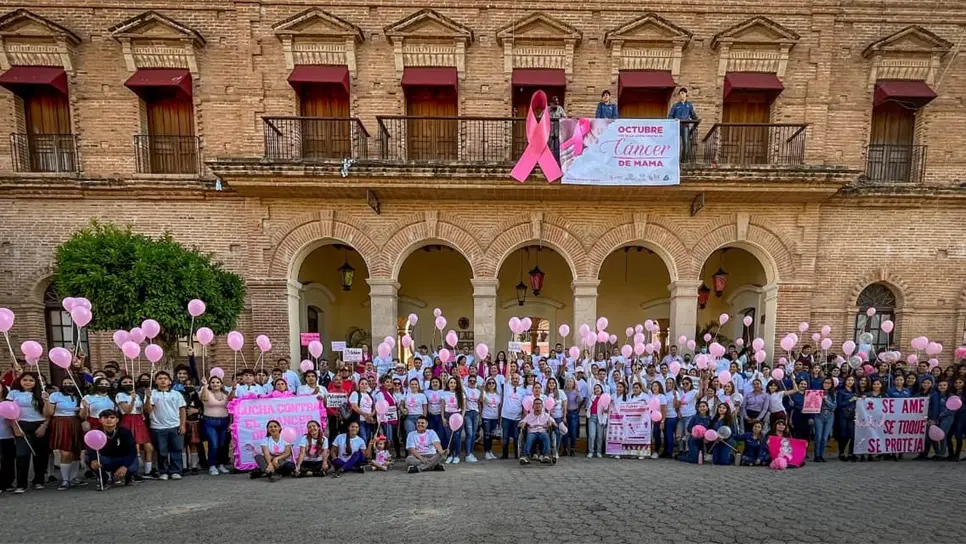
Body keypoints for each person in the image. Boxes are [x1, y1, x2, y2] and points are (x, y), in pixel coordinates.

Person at [7, 372, 48, 493]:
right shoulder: (13, 393)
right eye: (25, 380)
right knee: (22, 454)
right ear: (20, 381)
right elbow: (8, 411)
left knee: (40, 454)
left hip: (39, 424)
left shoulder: (42, 393)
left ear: (36, 382)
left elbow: (48, 413)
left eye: (31, 380)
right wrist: (15, 427)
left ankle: (39, 480)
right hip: (22, 424)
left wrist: (46, 401)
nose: (28, 382)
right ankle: (21, 484)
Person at [144, 371, 186, 481]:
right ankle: (163, 471)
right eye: (160, 378)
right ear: (155, 381)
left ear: (170, 381)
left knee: (176, 449)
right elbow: (148, 410)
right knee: (161, 451)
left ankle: (176, 471)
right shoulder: (152, 394)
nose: (163, 380)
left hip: (174, 425)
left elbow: (182, 410)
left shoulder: (177, 394)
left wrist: (182, 425)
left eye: (165, 378)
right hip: (158, 427)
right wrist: (148, 398)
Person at [46, 376, 85, 490]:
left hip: (76, 422)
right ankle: (65, 479)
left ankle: (73, 477)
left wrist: (84, 407)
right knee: (65, 452)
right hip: (61, 423)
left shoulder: (80, 396)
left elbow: (83, 413)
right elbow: (50, 412)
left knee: (76, 451)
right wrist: (46, 401)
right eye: (65, 383)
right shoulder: (55, 395)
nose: (68, 385)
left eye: (70, 383)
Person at [86, 409, 138, 490]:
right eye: (105, 417)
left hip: (123, 458)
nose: (109, 420)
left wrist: (124, 466)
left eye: (112, 417)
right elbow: (91, 449)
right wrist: (93, 459)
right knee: (88, 458)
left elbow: (132, 452)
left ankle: (128, 477)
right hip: (108, 459)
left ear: (117, 420)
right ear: (100, 420)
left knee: (132, 466)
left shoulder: (125, 432)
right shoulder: (96, 433)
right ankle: (105, 479)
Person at [115, 375, 152, 479]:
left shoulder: (138, 394)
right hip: (128, 419)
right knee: (133, 447)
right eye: (125, 382)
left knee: (148, 447)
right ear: (121, 384)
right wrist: (132, 400)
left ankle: (148, 471)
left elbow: (146, 410)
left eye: (130, 382)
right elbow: (127, 411)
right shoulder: (120, 395)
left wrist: (148, 398)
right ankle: (133, 472)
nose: (128, 384)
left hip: (139, 420)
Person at [199, 375, 231, 475]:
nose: (215, 384)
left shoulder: (226, 394)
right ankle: (212, 465)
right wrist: (205, 386)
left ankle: (221, 464)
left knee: (222, 444)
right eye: (212, 382)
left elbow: (232, 404)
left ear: (221, 384)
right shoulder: (205, 391)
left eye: (217, 382)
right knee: (214, 444)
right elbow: (203, 398)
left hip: (224, 421)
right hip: (210, 421)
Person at [518, 397, 557, 465]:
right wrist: (523, 424)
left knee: (546, 436)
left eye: (539, 404)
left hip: (542, 431)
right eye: (536, 404)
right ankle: (525, 456)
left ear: (542, 406)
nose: (538, 405)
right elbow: (520, 424)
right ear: (533, 406)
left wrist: (551, 422)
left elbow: (555, 424)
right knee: (529, 438)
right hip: (532, 432)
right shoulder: (529, 416)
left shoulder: (546, 415)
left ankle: (546, 456)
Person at [668, 87, 698, 160]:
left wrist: (696, 121)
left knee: (686, 143)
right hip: (676, 127)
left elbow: (693, 115)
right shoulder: (675, 106)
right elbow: (670, 116)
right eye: (680, 94)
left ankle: (684, 159)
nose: (681, 95)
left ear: (685, 94)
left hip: (685, 126)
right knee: (675, 143)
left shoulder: (689, 105)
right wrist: (674, 119)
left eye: (683, 93)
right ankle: (674, 159)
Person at [441, 377, 466, 464]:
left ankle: (457, 456)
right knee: (449, 437)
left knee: (457, 437)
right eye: (451, 382)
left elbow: (464, 408)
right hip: (448, 415)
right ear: (448, 384)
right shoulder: (444, 394)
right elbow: (442, 407)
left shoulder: (461, 394)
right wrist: (443, 418)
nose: (452, 384)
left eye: (454, 383)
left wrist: (461, 417)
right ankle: (450, 455)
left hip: (457, 416)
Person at [501, 373, 526, 459]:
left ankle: (517, 455)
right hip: (506, 416)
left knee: (516, 437)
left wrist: (523, 416)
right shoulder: (507, 387)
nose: (515, 380)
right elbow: (507, 375)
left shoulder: (523, 391)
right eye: (513, 378)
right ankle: (504, 455)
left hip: (517, 418)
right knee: (505, 437)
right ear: (511, 380)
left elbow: (524, 404)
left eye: (517, 378)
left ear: (519, 380)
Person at [480, 376, 502, 460]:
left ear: (495, 385)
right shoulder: (485, 393)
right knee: (487, 435)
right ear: (487, 385)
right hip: (486, 416)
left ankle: (490, 451)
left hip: (495, 417)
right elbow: (481, 400)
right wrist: (482, 389)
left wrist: (499, 417)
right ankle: (486, 452)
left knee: (492, 435)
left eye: (493, 383)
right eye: (489, 383)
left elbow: (499, 407)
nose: (491, 384)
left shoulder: (498, 395)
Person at [463, 375, 481, 463]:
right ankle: (467, 454)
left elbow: (479, 403)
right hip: (468, 413)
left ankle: (470, 452)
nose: (472, 382)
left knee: (473, 434)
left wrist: (480, 414)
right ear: (468, 382)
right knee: (469, 434)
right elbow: (460, 383)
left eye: (474, 381)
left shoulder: (478, 391)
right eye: (470, 381)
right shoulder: (465, 389)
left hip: (476, 413)